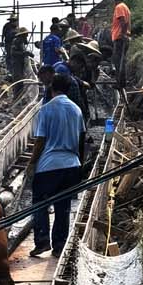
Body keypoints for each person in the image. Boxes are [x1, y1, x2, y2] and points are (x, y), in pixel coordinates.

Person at [26, 70, 86, 258]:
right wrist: (80, 165)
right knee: (63, 207)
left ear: (52, 87)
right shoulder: (77, 110)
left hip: (49, 165)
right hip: (72, 165)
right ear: (68, 89)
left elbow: (40, 140)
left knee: (39, 203)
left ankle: (42, 241)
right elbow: (82, 140)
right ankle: (59, 246)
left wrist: (31, 163)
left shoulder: (46, 109)